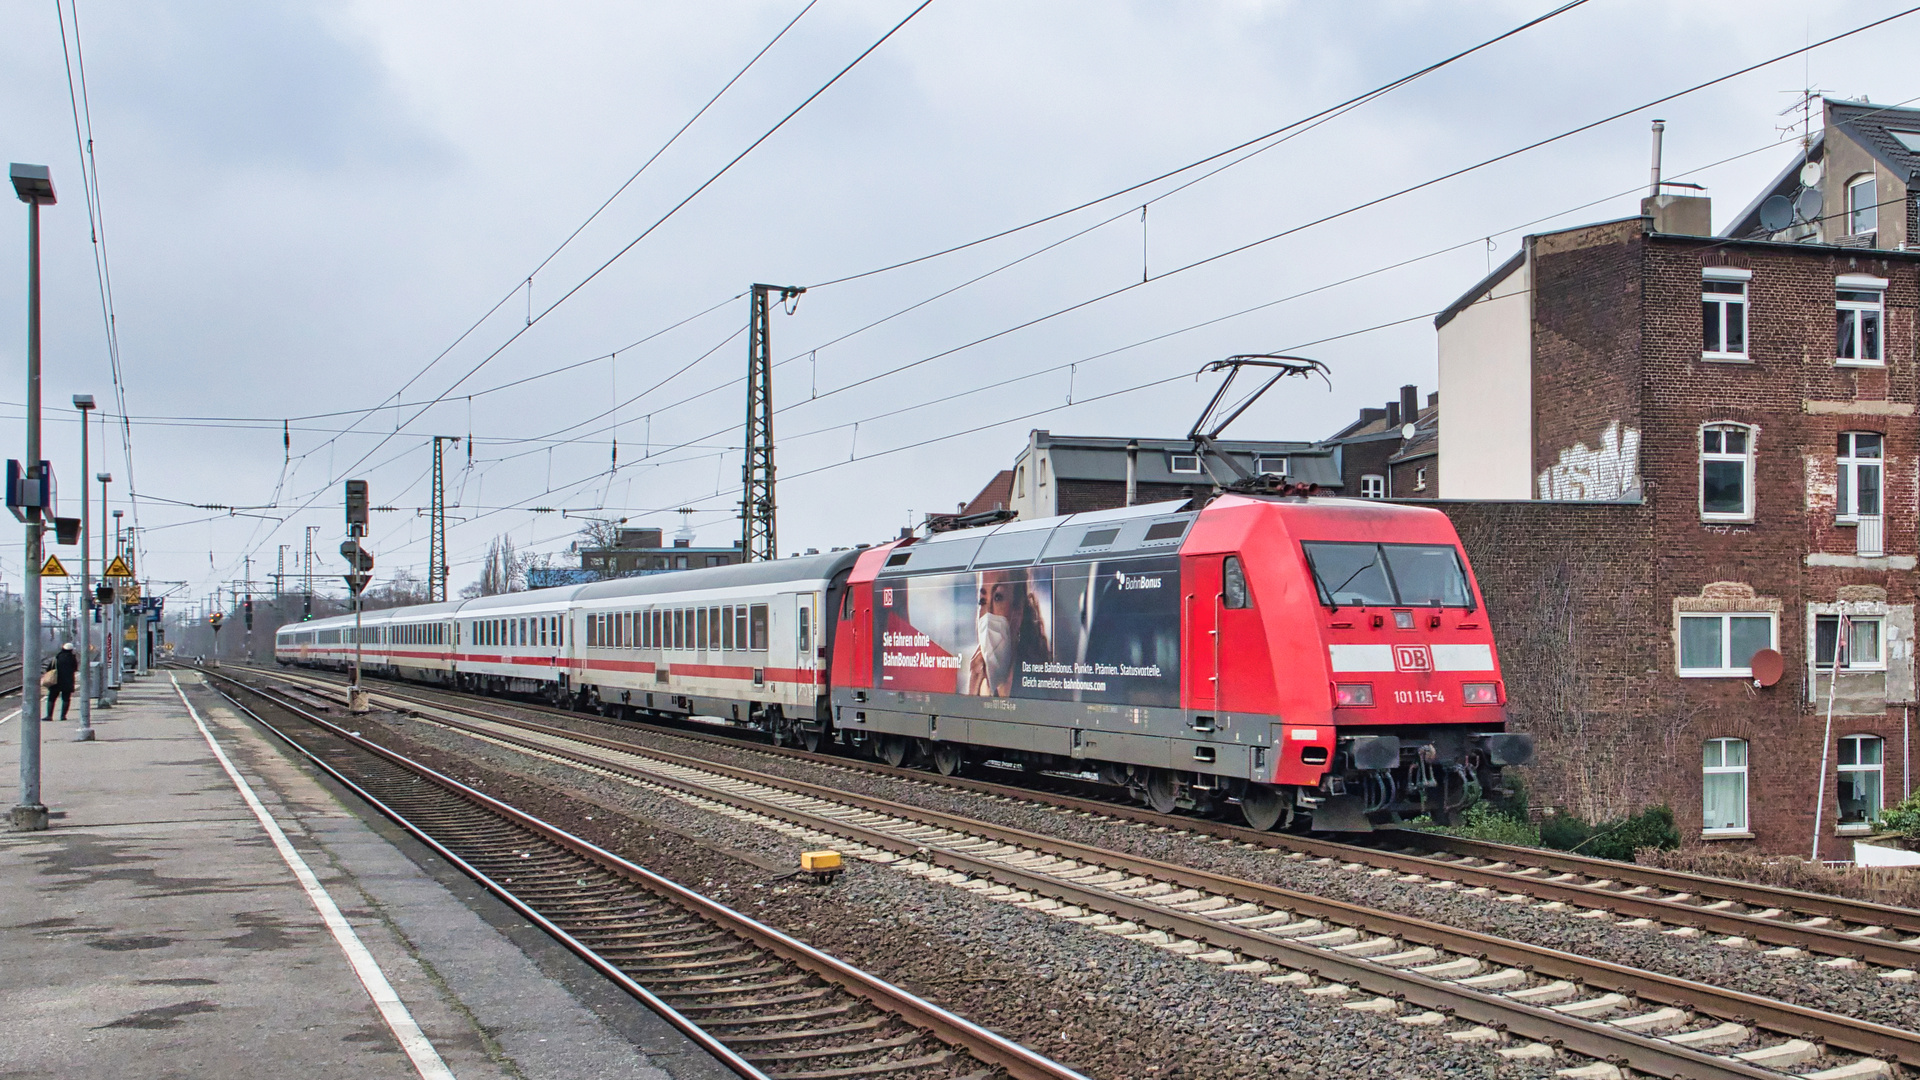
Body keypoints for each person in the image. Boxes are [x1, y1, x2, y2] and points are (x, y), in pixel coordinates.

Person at [47, 642, 79, 722]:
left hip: (56, 681)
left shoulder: (57, 657)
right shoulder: (72, 658)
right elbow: (75, 668)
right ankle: (63, 716)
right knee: (66, 699)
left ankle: (49, 716)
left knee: (51, 698)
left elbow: (49, 668)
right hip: (68, 681)